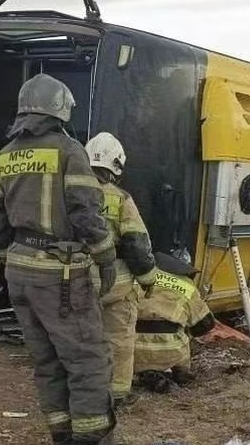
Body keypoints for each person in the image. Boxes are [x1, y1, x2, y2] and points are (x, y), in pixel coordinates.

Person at [0, 73, 117, 445]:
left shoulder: (6, 154)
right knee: (86, 359)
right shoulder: (68, 150)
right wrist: (106, 255)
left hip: (19, 269)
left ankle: (63, 435)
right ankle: (92, 437)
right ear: (60, 108)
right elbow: (85, 211)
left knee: (47, 361)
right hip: (60, 274)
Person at [84, 132, 158, 406]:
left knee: (77, 340)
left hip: (72, 282)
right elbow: (136, 244)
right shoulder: (120, 199)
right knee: (118, 339)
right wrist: (148, 279)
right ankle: (115, 395)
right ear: (117, 165)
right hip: (114, 285)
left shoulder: (67, 196)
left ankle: (79, 393)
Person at [134, 252, 215, 393]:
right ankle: (181, 375)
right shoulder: (186, 285)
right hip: (171, 349)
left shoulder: (133, 279)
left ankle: (138, 373)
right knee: (181, 336)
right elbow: (205, 324)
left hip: (130, 349)